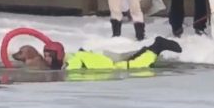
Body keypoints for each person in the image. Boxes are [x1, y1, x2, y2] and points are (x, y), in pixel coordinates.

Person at [42, 36, 182, 70]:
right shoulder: (69, 57)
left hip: (109, 63)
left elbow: (73, 67)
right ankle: (148, 48)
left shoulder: (71, 63)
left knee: (139, 65)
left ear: (58, 55)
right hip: (102, 57)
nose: (46, 59)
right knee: (131, 58)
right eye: (45, 56)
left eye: (49, 56)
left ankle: (158, 46)